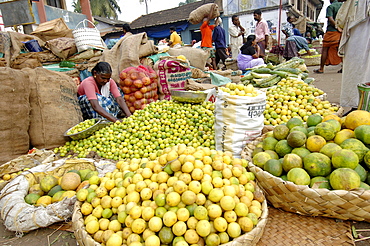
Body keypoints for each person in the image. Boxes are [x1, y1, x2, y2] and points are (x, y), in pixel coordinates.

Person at [338, 0, 370, 110]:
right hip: (358, 18)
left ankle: (361, 106)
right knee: (355, 64)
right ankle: (356, 105)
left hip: (363, 19)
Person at [313, 0, 343, 74]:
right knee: (342, 50)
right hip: (342, 32)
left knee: (325, 50)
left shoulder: (331, 7)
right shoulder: (343, 6)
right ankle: (344, 67)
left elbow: (330, 19)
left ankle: (321, 68)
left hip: (331, 31)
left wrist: (336, 27)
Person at [200, 5, 217, 69]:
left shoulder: (209, 27)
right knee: (204, 59)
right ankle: (205, 68)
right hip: (205, 46)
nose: (209, 21)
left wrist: (217, 16)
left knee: (213, 58)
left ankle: (215, 69)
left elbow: (216, 24)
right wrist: (212, 9)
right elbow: (209, 18)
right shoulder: (203, 27)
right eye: (207, 20)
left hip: (210, 46)